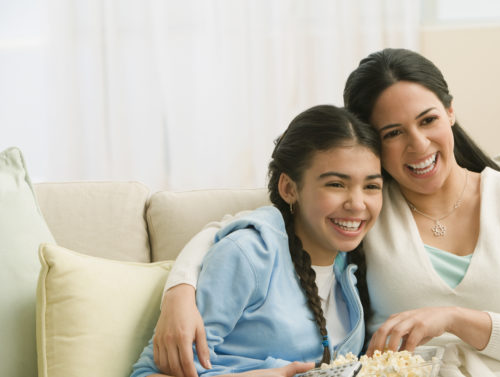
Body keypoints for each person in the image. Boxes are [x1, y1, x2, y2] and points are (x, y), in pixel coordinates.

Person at [154, 48, 500, 377]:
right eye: (394, 133)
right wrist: (180, 289)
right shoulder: (367, 208)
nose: (418, 145)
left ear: (451, 112)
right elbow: (240, 227)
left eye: (428, 119)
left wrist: (451, 318)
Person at [131, 104, 383, 377]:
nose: (358, 204)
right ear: (289, 188)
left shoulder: (351, 267)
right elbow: (147, 374)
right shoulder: (250, 254)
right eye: (336, 184)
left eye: (371, 186)